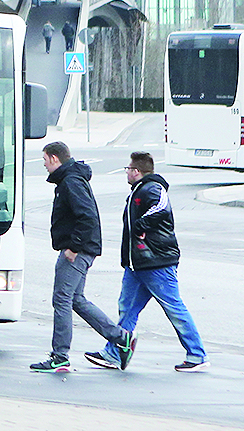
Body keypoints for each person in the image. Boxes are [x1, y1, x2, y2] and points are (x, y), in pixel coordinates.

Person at [85, 152, 207, 372]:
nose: (127, 173)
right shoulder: (140, 190)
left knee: (174, 308)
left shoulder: (151, 188)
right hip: (138, 264)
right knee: (127, 308)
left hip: (156, 263)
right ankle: (114, 353)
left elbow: (161, 208)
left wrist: (141, 226)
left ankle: (197, 355)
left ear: (136, 171)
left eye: (128, 169)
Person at [30, 141, 136, 372]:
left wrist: (74, 247)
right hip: (82, 248)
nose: (45, 165)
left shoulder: (70, 181)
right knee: (76, 299)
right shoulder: (71, 179)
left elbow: (87, 217)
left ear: (55, 159)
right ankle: (122, 338)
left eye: (45, 160)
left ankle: (60, 357)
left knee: (62, 299)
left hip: (76, 251)